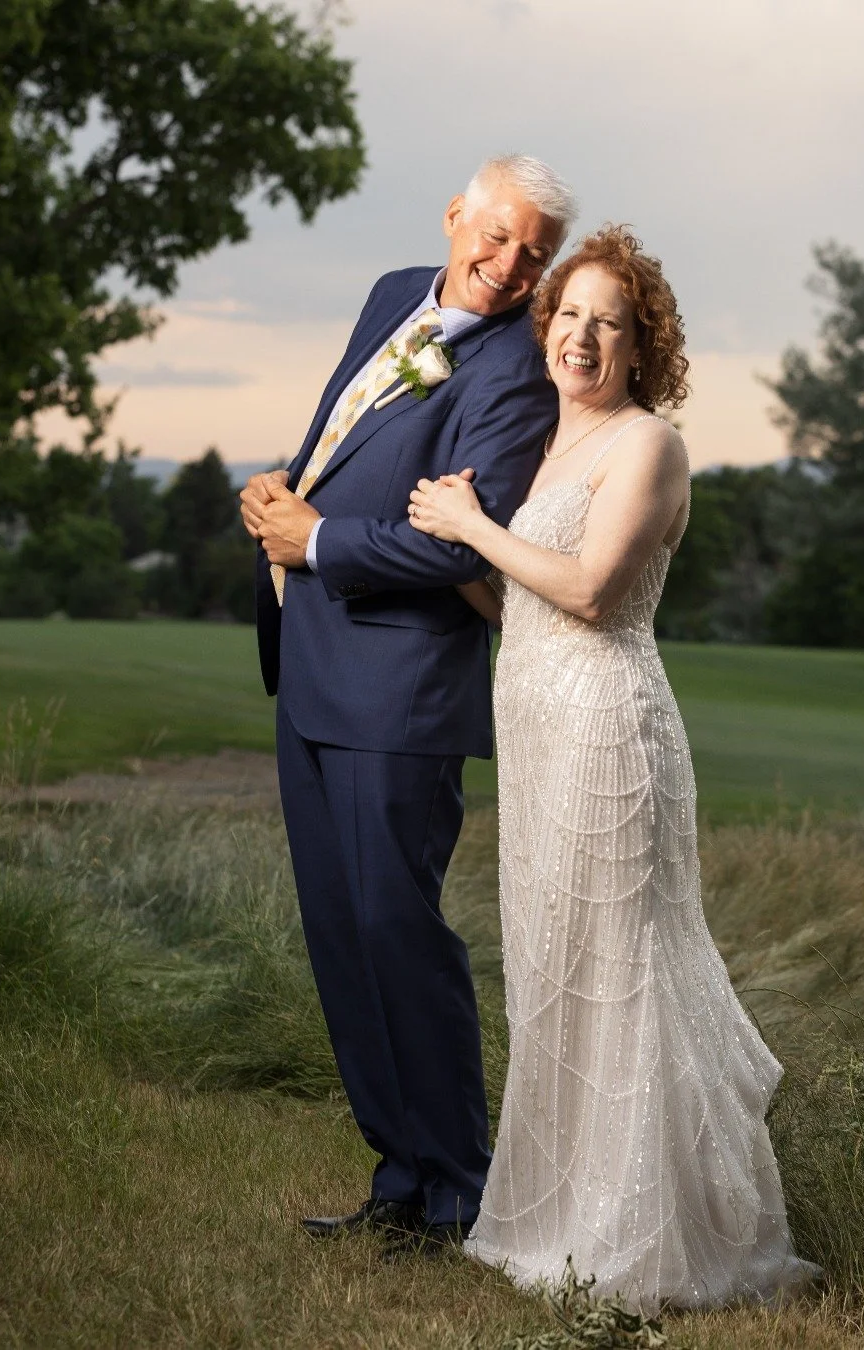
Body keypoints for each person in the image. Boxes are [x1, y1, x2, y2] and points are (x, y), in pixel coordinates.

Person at [407, 225, 820, 1312]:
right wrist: (455, 559)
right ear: (548, 331)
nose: (584, 337)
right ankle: (563, 1217)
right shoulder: (546, 442)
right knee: (553, 974)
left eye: (611, 323)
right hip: (537, 737)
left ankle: (652, 1245)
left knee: (621, 971)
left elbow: (589, 594)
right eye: (571, 316)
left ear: (644, 348)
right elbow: (524, 605)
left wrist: (468, 525)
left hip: (607, 735)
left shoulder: (648, 446)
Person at [238, 155, 577, 1259]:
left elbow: (455, 543)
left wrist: (320, 543)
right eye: (497, 236)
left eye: (533, 252)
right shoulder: (393, 293)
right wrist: (282, 493)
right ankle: (398, 1173)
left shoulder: (517, 372)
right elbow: (346, 435)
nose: (510, 265)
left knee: (399, 932)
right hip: (311, 665)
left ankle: (461, 1194)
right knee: (342, 937)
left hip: (401, 691)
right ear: (454, 219)